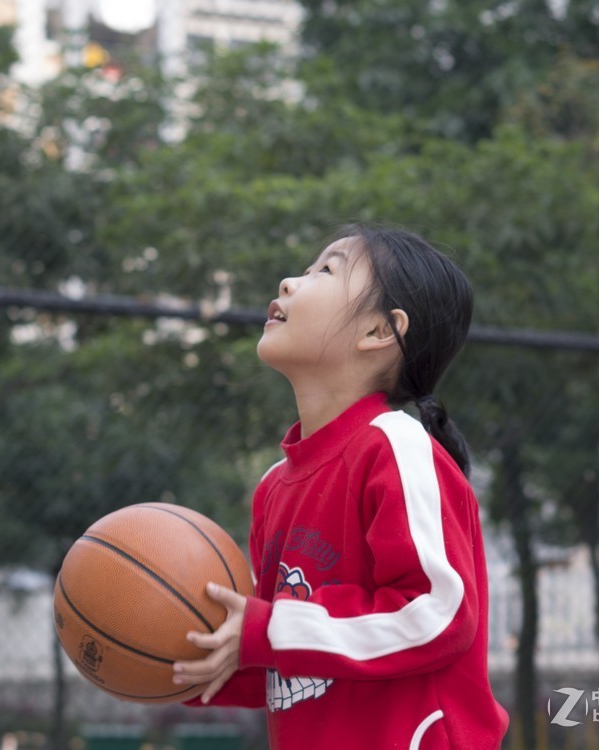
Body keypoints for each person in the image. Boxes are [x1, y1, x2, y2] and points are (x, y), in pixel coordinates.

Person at [174, 224, 510, 748]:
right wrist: (184, 656)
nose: (289, 282)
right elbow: (296, 662)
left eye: (325, 270)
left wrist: (269, 631)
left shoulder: (395, 447)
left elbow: (438, 615)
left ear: (379, 330)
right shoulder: (273, 486)